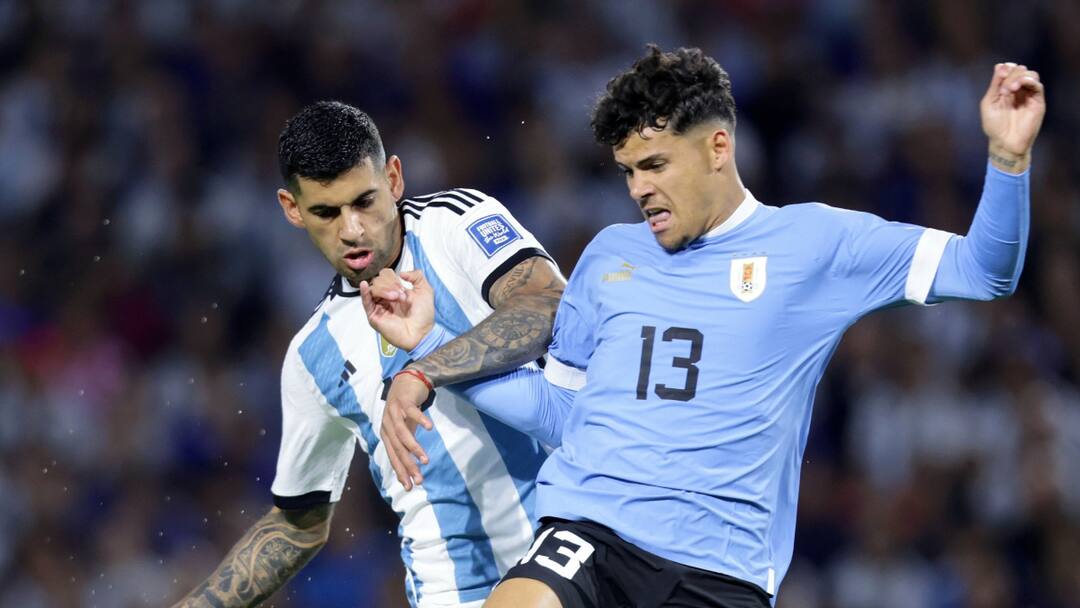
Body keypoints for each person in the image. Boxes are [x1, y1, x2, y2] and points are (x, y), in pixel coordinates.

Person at [371, 47, 1045, 607]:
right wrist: (431, 348)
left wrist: (1007, 160)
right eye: (628, 171)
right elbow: (565, 415)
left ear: (718, 147)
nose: (638, 190)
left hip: (721, 572)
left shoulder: (816, 244)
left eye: (655, 165)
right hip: (591, 536)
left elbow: (984, 271)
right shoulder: (610, 256)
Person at [172, 101, 567, 608]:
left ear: (394, 178)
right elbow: (299, 524)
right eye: (326, 212)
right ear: (292, 209)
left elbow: (546, 301)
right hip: (453, 595)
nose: (352, 230)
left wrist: (422, 371)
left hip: (569, 547)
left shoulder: (453, 224)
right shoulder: (313, 355)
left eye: (364, 202)